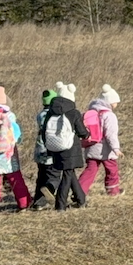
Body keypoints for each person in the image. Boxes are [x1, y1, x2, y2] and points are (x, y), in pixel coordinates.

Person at [40, 82, 89, 211]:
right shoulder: (73, 112)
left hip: (55, 147)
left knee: (69, 172)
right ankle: (60, 205)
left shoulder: (51, 112)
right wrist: (86, 135)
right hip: (70, 147)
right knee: (67, 175)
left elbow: (44, 131)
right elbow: (81, 131)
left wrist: (48, 147)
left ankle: (81, 200)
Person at [82, 85, 123, 196]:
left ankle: (80, 190)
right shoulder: (109, 115)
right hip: (105, 149)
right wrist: (116, 148)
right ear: (110, 102)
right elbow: (111, 134)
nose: (116, 104)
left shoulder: (91, 112)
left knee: (90, 170)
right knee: (112, 169)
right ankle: (113, 191)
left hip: (91, 145)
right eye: (115, 101)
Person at [29, 89, 58, 208]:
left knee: (41, 176)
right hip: (49, 150)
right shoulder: (54, 116)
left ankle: (37, 203)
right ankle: (48, 191)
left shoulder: (40, 115)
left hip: (39, 149)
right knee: (54, 175)